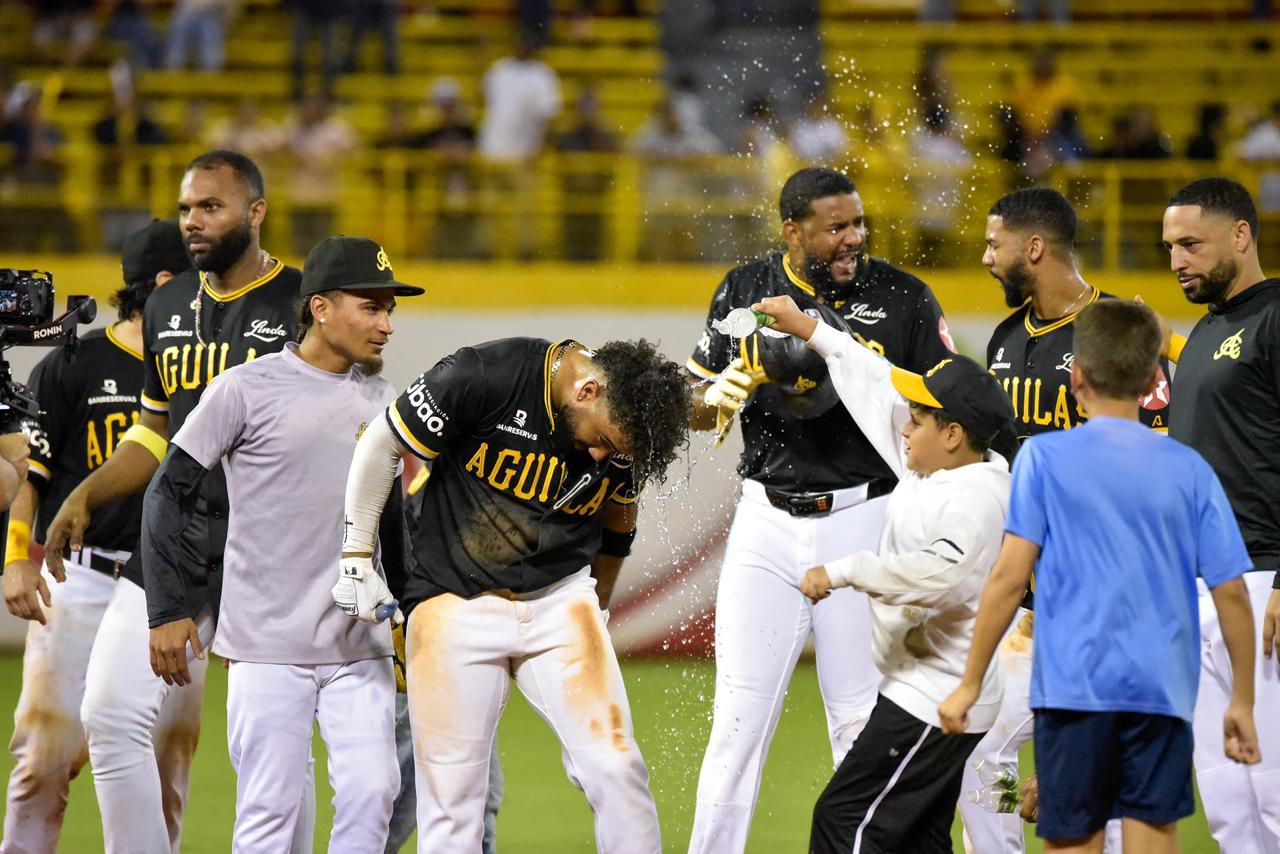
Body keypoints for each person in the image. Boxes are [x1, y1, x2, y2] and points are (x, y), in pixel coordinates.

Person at [41, 150, 308, 854]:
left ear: (255, 213)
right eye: (187, 208)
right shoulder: (165, 306)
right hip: (179, 540)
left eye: (211, 206)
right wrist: (86, 493)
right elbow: (155, 433)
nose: (193, 220)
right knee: (109, 714)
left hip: (270, 551)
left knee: (272, 745)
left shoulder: (303, 303)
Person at [686, 166, 956, 853]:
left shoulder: (902, 297)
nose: (853, 239)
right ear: (792, 231)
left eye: (858, 224)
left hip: (863, 518)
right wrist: (716, 393)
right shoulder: (744, 289)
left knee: (859, 723)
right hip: (764, 519)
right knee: (737, 725)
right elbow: (690, 400)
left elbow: (946, 404)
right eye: (836, 227)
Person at [335, 334, 690, 852]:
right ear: (587, 390)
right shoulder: (486, 374)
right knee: (453, 804)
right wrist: (356, 555)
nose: (600, 455)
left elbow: (617, 528)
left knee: (617, 768)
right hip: (452, 600)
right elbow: (382, 442)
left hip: (559, 600)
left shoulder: (626, 419)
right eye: (604, 442)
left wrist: (598, 605)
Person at [940, 299, 1261, 853]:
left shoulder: (1042, 458)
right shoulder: (1189, 467)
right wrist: (1243, 702)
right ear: (1154, 378)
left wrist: (970, 683)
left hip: (1072, 692)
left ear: (1077, 376)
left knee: (1074, 839)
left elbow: (1008, 579)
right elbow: (1231, 591)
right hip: (1161, 692)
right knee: (1154, 835)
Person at [142, 236, 420, 851]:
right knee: (270, 816)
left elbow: (390, 519)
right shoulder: (244, 388)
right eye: (372, 307)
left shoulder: (382, 402)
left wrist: (411, 612)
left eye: (389, 309)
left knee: (375, 796)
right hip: (267, 649)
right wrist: (167, 609)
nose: (387, 324)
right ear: (319, 308)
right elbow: (167, 493)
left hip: (359, 645)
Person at [753, 294, 1016, 853]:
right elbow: (874, 379)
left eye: (918, 418)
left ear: (953, 434)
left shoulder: (977, 499)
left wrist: (845, 570)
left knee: (844, 821)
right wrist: (810, 329)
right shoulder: (934, 461)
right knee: (918, 839)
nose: (904, 425)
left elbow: (937, 575)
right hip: (923, 684)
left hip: (934, 694)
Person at [965, 187, 1170, 853]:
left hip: (1102, 600)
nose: (986, 256)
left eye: (996, 243)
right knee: (984, 751)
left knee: (1090, 777)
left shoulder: (1115, 332)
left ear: (1033, 247)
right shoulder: (1004, 338)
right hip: (1030, 597)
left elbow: (1154, 465)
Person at [1, 220, 188, 854]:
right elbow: (34, 473)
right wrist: (15, 561)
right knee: (44, 756)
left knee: (166, 765)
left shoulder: (202, 369)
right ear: (164, 284)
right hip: (79, 580)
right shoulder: (73, 362)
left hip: (166, 585)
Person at [1162, 177, 1280, 853]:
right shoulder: (1206, 332)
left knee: (1272, 793)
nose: (1179, 259)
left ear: (1240, 235)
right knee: (1229, 806)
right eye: (1171, 246)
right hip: (1201, 589)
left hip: (1265, 579)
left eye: (1191, 244)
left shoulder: (1275, 317)